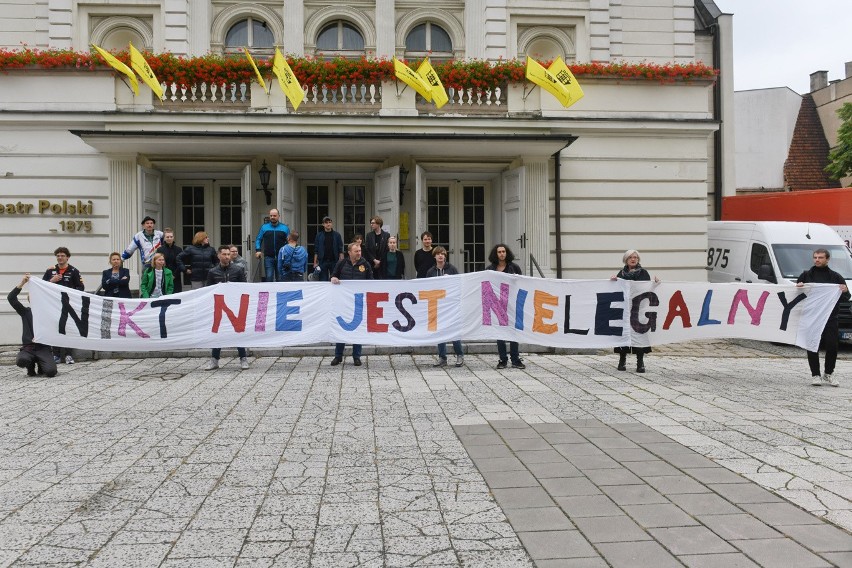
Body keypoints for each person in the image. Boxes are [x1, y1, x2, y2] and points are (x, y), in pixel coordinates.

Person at [797, 248, 850, 387]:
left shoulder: (836, 277)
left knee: (832, 346)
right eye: (815, 257)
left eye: (820, 257)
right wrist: (799, 287)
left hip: (830, 318)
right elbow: (796, 296)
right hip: (812, 317)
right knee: (812, 345)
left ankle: (828, 373)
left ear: (827, 259)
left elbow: (846, 297)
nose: (817, 260)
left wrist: (844, 291)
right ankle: (815, 375)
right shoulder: (806, 275)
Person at [610, 249, 660, 373]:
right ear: (626, 260)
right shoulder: (621, 273)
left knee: (640, 335)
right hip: (625, 309)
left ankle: (640, 362)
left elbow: (648, 288)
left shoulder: (643, 273)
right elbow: (617, 289)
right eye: (631, 257)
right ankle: (622, 360)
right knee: (624, 333)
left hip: (639, 308)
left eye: (635, 257)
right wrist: (613, 281)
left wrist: (656, 283)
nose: (633, 259)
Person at [205, 245, 250, 370]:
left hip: (234, 306)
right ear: (219, 255)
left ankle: (243, 358)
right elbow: (208, 290)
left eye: (228, 254)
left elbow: (244, 288)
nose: (226, 257)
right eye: (224, 254)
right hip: (219, 307)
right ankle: (214, 359)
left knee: (238, 332)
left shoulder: (237, 270)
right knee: (218, 333)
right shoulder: (212, 272)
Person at [330, 241, 373, 366]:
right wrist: (333, 278)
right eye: (356, 251)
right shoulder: (342, 263)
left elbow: (371, 281)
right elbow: (333, 276)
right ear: (349, 252)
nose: (359, 253)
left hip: (358, 302)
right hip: (343, 302)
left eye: (360, 251)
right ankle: (338, 356)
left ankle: (356, 356)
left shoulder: (365, 264)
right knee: (341, 327)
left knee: (357, 328)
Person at [8, 274, 58, 378]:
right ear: (29, 299)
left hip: (43, 348)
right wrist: (22, 282)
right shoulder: (25, 312)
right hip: (29, 348)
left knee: (51, 372)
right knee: (22, 361)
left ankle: (41, 363)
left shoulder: (48, 313)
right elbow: (11, 298)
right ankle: (30, 366)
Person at [42, 246, 84, 364]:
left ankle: (68, 355)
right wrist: (52, 280)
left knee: (68, 328)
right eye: (58, 256)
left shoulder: (74, 271)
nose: (60, 258)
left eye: (62, 256)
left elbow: (81, 287)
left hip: (68, 305)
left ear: (67, 257)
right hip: (53, 305)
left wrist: (71, 293)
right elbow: (42, 285)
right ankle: (56, 355)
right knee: (55, 328)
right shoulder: (50, 271)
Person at [486, 244, 525, 369]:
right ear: (495, 254)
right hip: (497, 304)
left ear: (507, 253)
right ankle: (503, 359)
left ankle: (515, 359)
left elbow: (522, 283)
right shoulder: (490, 269)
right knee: (500, 332)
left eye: (503, 251)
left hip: (512, 303)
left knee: (513, 331)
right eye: (499, 252)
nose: (502, 254)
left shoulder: (514, 267)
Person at [426, 246, 464, 367]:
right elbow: (427, 287)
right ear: (435, 256)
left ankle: (459, 355)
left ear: (445, 256)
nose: (440, 256)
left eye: (442, 254)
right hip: (437, 305)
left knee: (454, 331)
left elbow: (458, 284)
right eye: (438, 254)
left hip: (450, 305)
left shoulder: (452, 269)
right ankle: (442, 357)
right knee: (440, 332)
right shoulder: (431, 271)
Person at [255, 208, 290, 282]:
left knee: (280, 279)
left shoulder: (285, 228)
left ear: (279, 216)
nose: (272, 217)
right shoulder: (264, 227)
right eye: (271, 216)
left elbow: (289, 242)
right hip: (268, 257)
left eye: (274, 215)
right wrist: (258, 250)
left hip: (281, 258)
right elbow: (258, 239)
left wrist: (288, 253)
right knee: (269, 278)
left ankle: (279, 293)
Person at [314, 216, 344, 281]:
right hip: (322, 261)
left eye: (330, 222)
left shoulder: (337, 235)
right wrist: (315, 262)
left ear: (332, 223)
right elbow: (316, 250)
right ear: (323, 224)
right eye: (326, 222)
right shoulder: (319, 235)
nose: (328, 224)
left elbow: (340, 249)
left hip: (334, 261)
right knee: (323, 280)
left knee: (334, 279)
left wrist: (341, 262)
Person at [160, 228, 185, 294]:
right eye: (167, 237)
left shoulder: (178, 249)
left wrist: (174, 275)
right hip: (164, 276)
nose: (169, 238)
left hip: (176, 277)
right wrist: (167, 274)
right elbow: (159, 263)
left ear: (173, 237)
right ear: (164, 238)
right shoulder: (160, 250)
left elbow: (181, 263)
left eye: (171, 237)